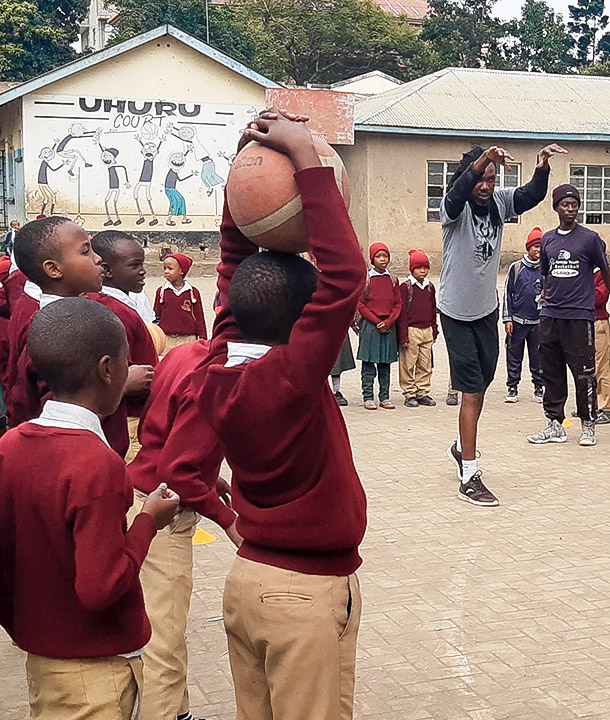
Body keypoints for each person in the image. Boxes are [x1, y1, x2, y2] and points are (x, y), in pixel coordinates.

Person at [198, 111, 367, 720]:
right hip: (302, 594)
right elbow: (347, 277)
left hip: (246, 585)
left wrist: (242, 182)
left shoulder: (218, 368)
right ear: (306, 326)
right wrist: (307, 161)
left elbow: (229, 271)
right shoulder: (294, 378)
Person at [0, 298, 180, 720]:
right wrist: (148, 522)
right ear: (107, 369)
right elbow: (100, 587)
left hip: (43, 651)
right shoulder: (95, 463)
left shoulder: (11, 445)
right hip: (93, 667)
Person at [439, 143, 563, 507]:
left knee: (485, 381)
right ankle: (470, 475)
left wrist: (541, 167)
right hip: (455, 312)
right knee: (471, 390)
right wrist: (482, 162)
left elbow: (531, 195)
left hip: (486, 311)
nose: (486, 185)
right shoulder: (454, 208)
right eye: (481, 178)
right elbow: (460, 189)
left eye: (492, 179)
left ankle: (461, 446)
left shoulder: (499, 203)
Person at [127, 337, 237, 720]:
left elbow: (170, 434)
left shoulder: (187, 352)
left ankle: (179, 712)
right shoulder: (220, 378)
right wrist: (229, 522)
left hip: (142, 487)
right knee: (165, 638)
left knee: (159, 621)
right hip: (164, 509)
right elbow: (179, 471)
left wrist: (209, 474)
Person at [8, 219, 155, 456]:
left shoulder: (88, 312)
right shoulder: (56, 331)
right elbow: (54, 418)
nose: (98, 259)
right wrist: (124, 384)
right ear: (54, 269)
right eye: (86, 252)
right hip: (75, 458)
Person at [526, 184, 610, 448]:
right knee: (551, 372)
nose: (570, 209)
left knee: (584, 373)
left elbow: (606, 272)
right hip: (550, 316)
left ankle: (588, 425)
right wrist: (545, 297)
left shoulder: (589, 239)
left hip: (579, 316)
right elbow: (545, 274)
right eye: (565, 204)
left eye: (574, 204)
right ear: (556, 207)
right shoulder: (547, 239)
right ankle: (554, 425)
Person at [91, 230, 164, 461]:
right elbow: (124, 374)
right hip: (129, 416)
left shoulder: (127, 301)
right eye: (134, 265)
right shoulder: (114, 311)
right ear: (107, 270)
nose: (143, 271)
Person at [356, 242, 400, 410]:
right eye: (379, 256)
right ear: (372, 259)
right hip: (370, 326)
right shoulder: (366, 280)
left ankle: (385, 396)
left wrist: (388, 322)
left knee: (385, 364)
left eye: (385, 256)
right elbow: (360, 304)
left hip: (388, 327)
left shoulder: (393, 280)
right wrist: (376, 321)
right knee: (368, 364)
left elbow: (398, 304)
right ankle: (368, 396)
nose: (383, 259)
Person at [503, 228, 544, 404]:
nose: (538, 250)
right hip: (518, 320)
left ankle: (538, 387)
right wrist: (508, 318)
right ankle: (512, 387)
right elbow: (508, 293)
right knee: (514, 355)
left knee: (538, 357)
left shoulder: (545, 268)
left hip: (538, 322)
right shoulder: (516, 268)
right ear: (528, 248)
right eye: (535, 246)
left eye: (541, 246)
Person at [398, 249, 438, 407]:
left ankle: (422, 391)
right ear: (411, 269)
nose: (422, 271)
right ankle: (409, 392)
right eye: (419, 267)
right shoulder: (405, 287)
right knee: (408, 363)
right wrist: (403, 335)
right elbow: (402, 313)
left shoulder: (430, 287)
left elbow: (433, 309)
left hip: (426, 329)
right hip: (411, 330)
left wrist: (434, 330)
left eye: (425, 267)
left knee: (425, 363)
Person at [153, 252, 207, 351]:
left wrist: (203, 340)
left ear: (181, 271)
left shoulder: (193, 292)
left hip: (188, 339)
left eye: (170, 269)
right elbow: (156, 316)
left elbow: (199, 317)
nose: (166, 272)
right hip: (167, 339)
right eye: (165, 268)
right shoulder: (161, 292)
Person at [592, 268, 610, 424]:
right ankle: (591, 404)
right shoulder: (581, 268)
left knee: (601, 365)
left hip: (598, 322)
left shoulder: (602, 273)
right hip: (581, 321)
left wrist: (578, 290)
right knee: (586, 367)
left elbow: (599, 298)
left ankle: (606, 408)